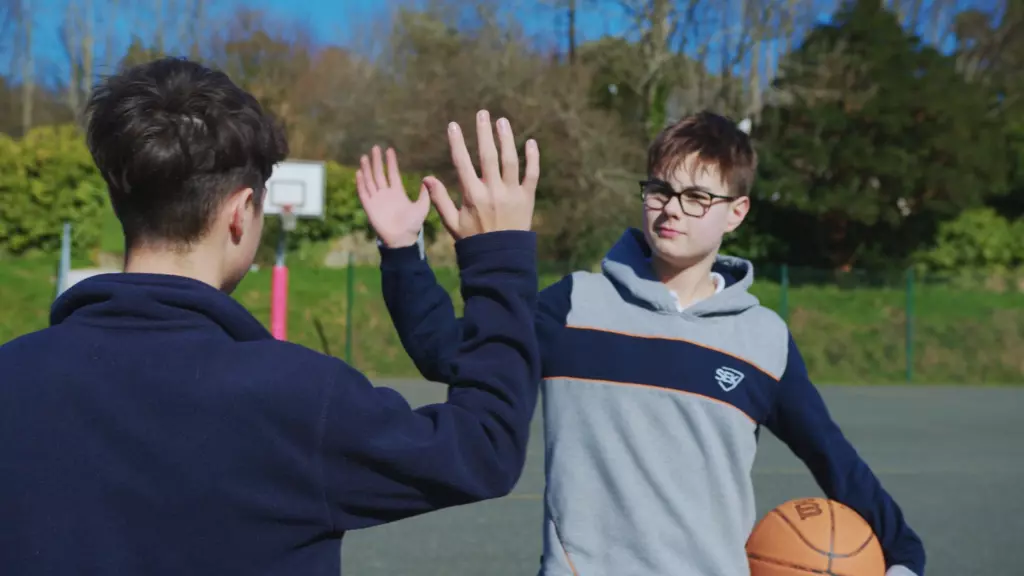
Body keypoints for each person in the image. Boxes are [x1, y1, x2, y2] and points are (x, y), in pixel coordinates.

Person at [0, 57, 544, 576]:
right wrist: (498, 255)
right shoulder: (299, 398)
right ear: (241, 213)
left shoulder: (14, 375)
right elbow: (482, 446)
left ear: (122, 201)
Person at [372, 111, 926, 576]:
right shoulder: (574, 305)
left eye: (697, 197)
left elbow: (834, 459)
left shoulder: (762, 340)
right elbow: (451, 354)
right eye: (660, 189)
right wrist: (402, 252)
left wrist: (903, 558)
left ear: (736, 212)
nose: (672, 208)